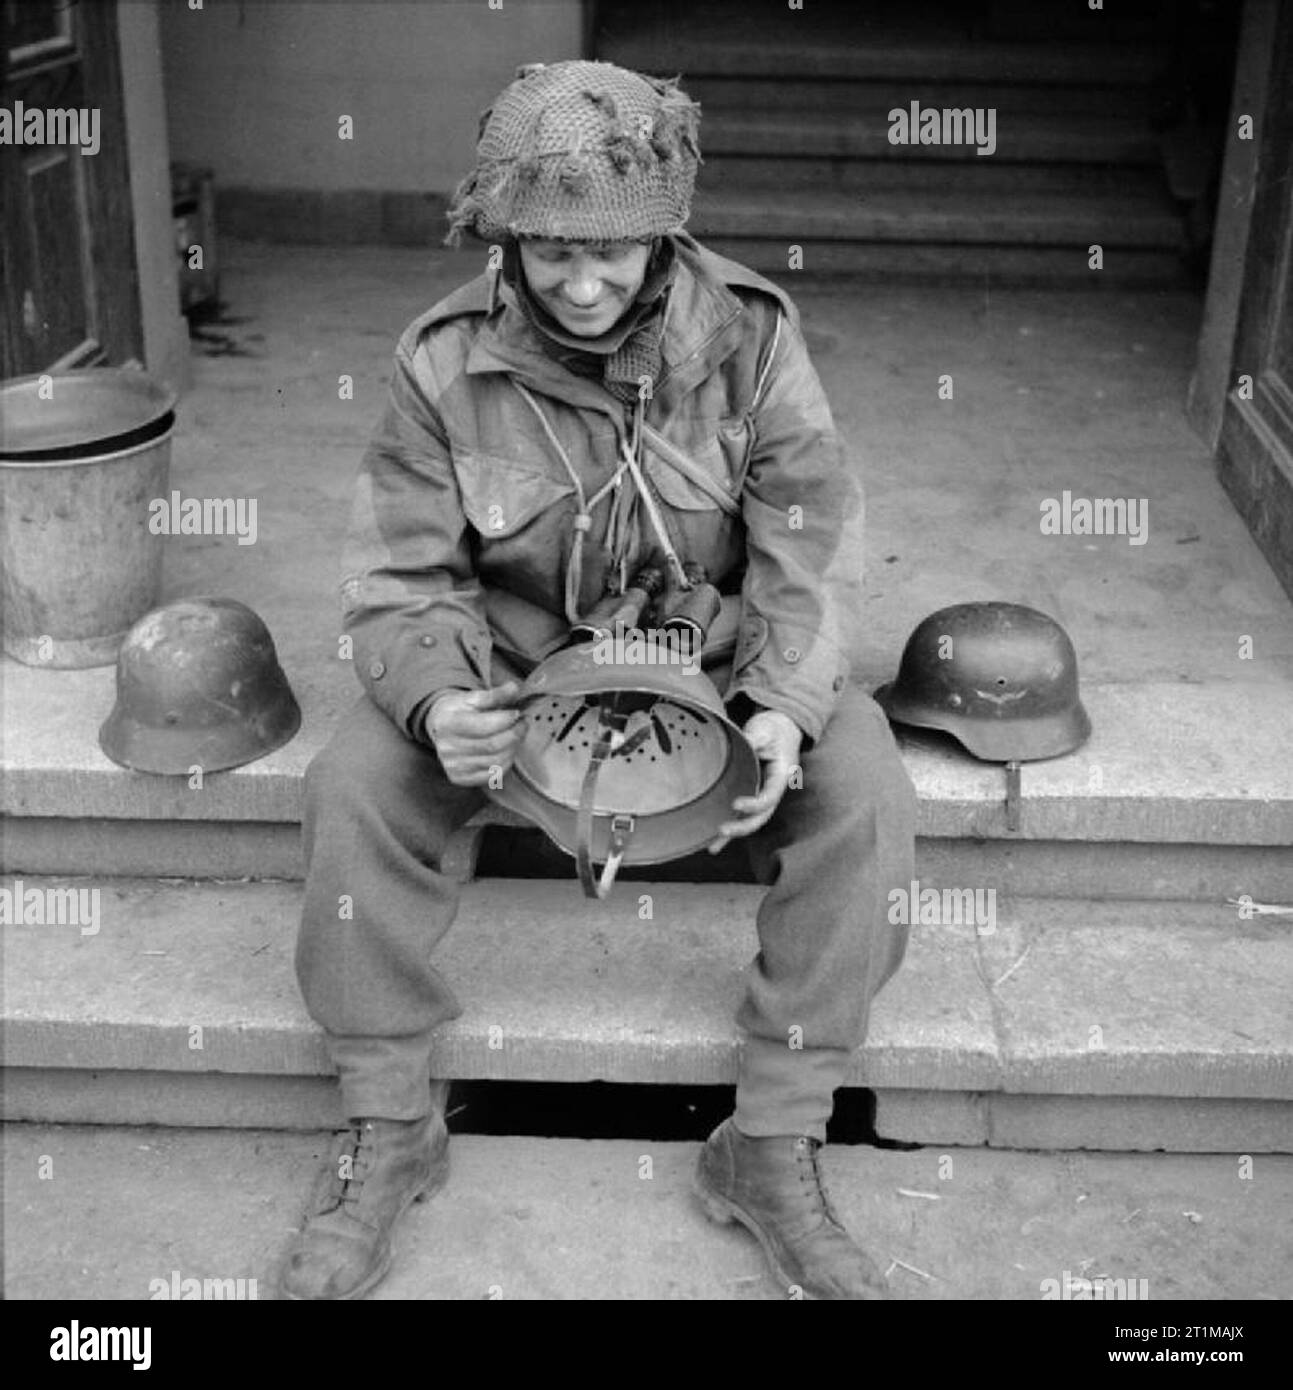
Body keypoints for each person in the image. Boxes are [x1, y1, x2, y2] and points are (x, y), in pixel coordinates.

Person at [280, 59, 917, 1301]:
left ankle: (774, 1144)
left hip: (716, 654)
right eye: (546, 253)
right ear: (504, 237)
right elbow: (401, 580)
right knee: (356, 777)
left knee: (869, 788)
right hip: (517, 662)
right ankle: (390, 1125)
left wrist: (783, 708)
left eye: (612, 257)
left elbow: (808, 552)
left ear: (662, 235)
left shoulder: (755, 342)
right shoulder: (440, 363)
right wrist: (438, 698)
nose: (579, 286)